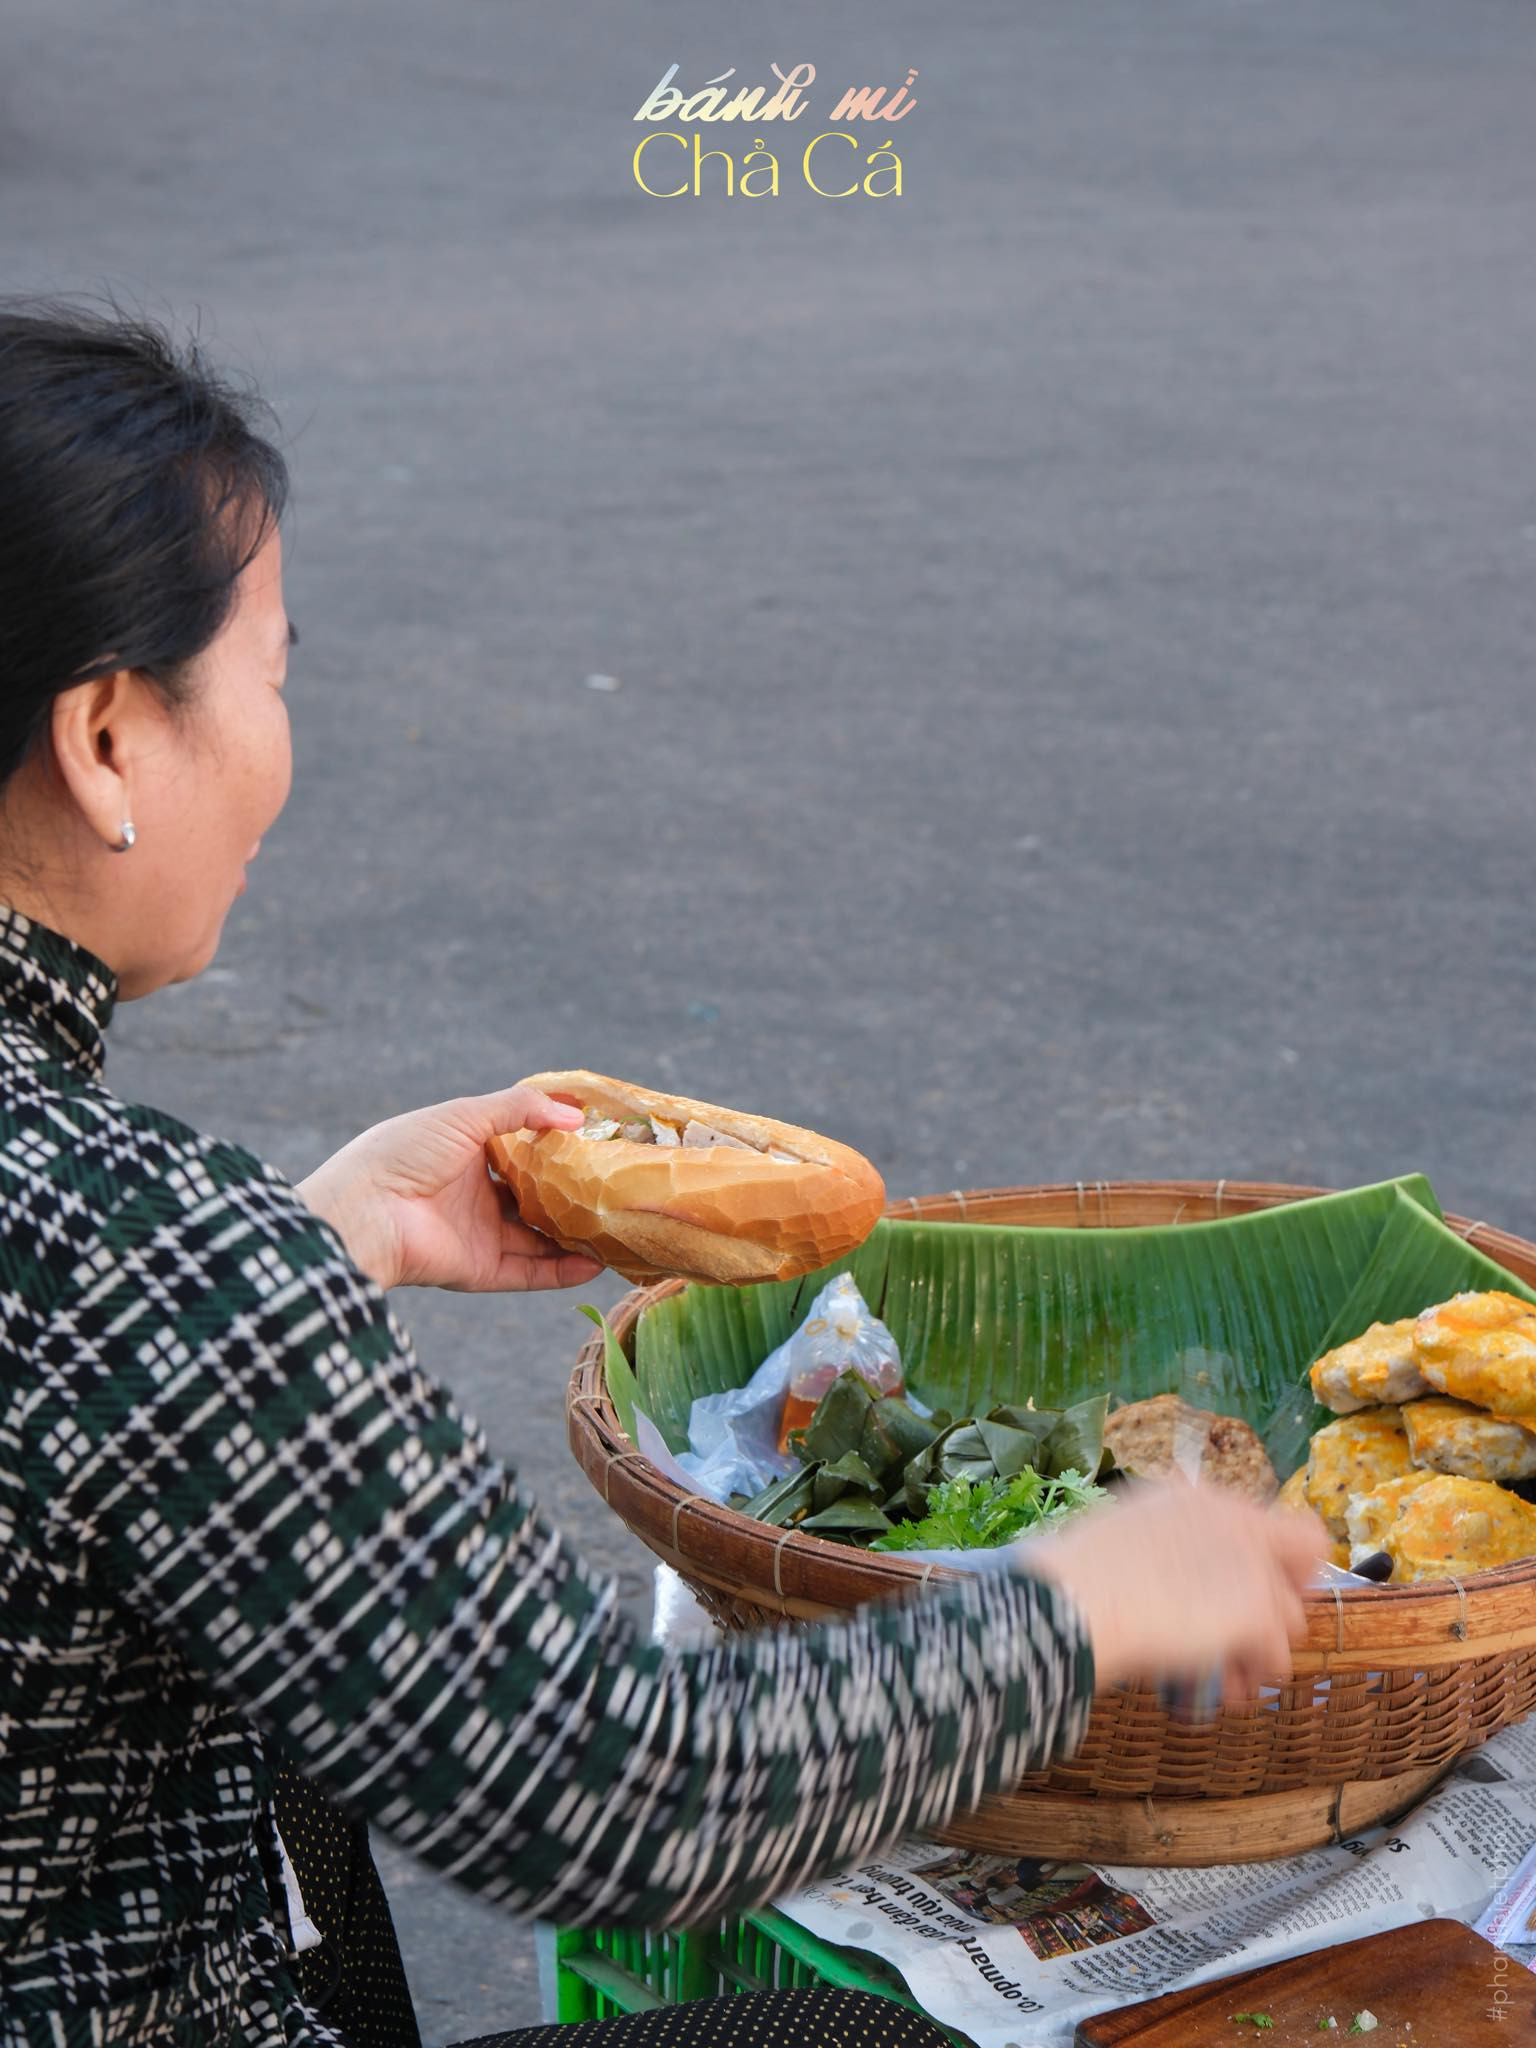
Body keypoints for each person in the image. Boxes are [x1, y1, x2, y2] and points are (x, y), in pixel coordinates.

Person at [0, 298, 1328, 2048]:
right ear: (107, 739)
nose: (279, 745)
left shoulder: (147, 1259)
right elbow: (615, 1787)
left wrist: (318, 1241)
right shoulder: (141, 1254)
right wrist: (1085, 1602)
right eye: (270, 674)